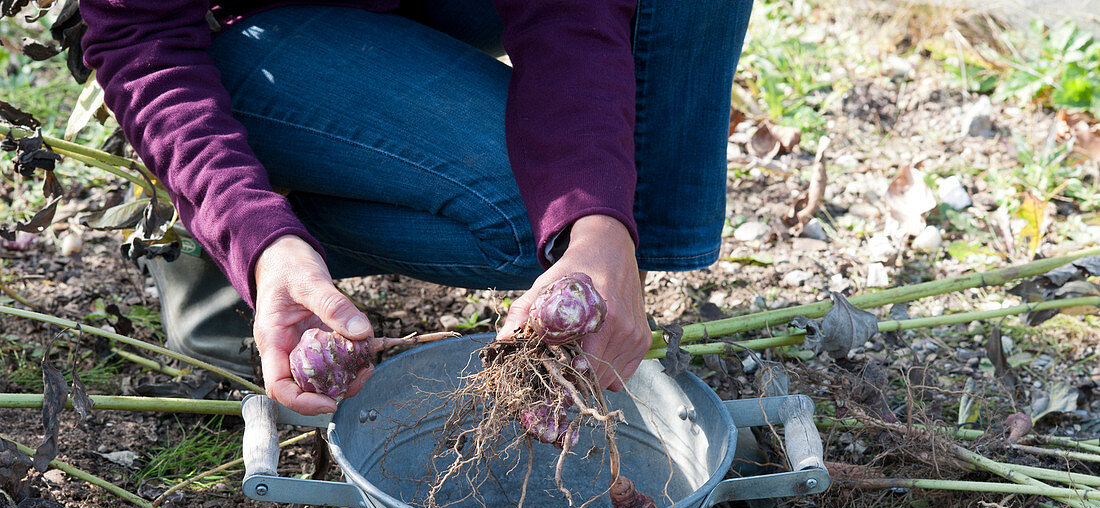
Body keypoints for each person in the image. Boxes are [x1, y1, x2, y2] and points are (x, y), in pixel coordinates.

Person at [79, 0, 753, 416]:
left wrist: (597, 222)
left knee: (576, 212)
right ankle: (230, 230)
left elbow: (570, 9)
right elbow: (141, 40)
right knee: (527, 218)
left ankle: (616, 315)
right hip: (235, 35)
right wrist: (255, 230)